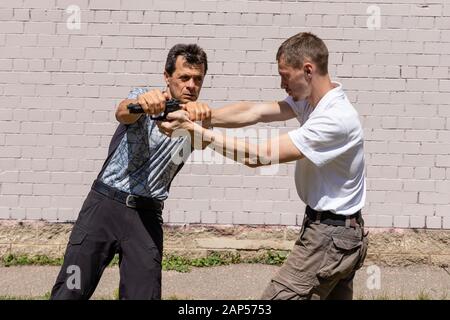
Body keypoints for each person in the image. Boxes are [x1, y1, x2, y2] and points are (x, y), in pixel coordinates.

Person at [159, 32, 369, 300]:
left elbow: (259, 155)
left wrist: (195, 133)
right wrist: (196, 115)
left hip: (329, 238)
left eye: (284, 75)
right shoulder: (312, 102)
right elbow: (253, 112)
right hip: (337, 233)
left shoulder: (335, 119)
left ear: (307, 70)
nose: (282, 84)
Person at [50, 44, 211, 300]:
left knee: (143, 295)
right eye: (184, 77)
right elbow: (122, 112)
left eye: (197, 79)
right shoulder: (144, 98)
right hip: (104, 206)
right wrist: (141, 103)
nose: (191, 85)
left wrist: (203, 118)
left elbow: (237, 118)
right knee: (71, 290)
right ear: (167, 77)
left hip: (146, 217)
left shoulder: (197, 120)